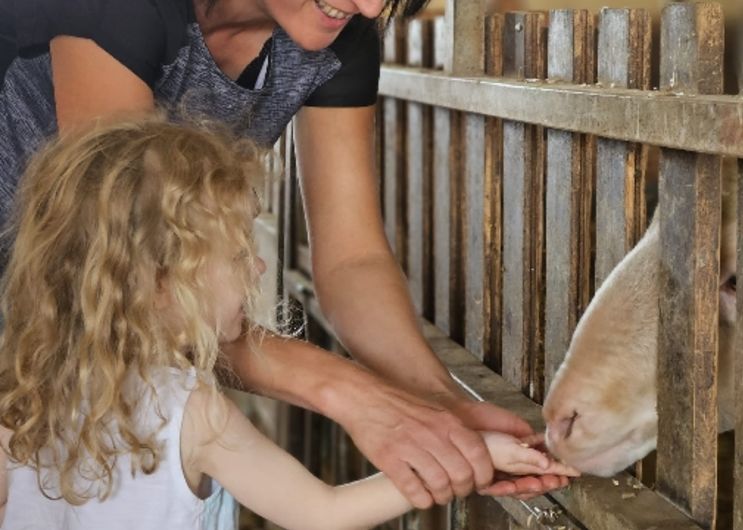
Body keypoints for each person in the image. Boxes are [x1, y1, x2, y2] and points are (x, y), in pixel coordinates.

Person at [0, 0, 570, 506]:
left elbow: (352, 260)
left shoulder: (338, 31)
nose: (372, 8)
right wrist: (360, 399)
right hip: (38, 323)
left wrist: (440, 406)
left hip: (76, 347)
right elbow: (126, 274)